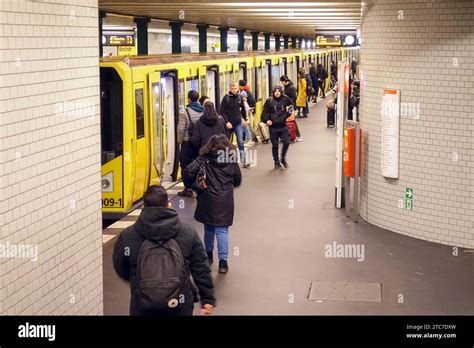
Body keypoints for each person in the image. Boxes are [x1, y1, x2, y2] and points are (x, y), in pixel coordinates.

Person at [113, 185, 215, 316]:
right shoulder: (188, 233)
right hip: (179, 304)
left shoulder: (128, 235)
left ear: (143, 207)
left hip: (142, 305)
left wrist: (140, 279)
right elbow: (201, 268)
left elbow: (121, 267)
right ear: (169, 205)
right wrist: (207, 299)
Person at [184, 134, 242, 274]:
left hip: (207, 198)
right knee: (222, 231)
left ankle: (208, 256)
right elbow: (238, 180)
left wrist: (191, 185)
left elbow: (187, 171)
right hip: (225, 199)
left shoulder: (203, 158)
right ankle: (223, 263)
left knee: (208, 228)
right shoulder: (231, 159)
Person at [177, 90, 203, 197]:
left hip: (187, 143)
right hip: (198, 144)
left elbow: (181, 129)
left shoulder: (185, 111)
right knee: (197, 165)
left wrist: (179, 141)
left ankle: (188, 188)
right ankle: (198, 185)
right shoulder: (203, 110)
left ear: (189, 99)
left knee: (185, 166)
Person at [261, 85, 293, 169]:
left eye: (279, 91)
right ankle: (276, 161)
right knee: (275, 145)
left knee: (287, 142)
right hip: (273, 127)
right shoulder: (269, 101)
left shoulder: (286, 99)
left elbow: (291, 107)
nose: (277, 93)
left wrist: (286, 115)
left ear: (281, 92)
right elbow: (264, 112)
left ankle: (282, 157)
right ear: (273, 92)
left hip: (283, 126)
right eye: (275, 91)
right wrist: (266, 120)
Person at [220, 82, 250, 168]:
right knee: (227, 143)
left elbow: (243, 110)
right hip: (228, 124)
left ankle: (244, 161)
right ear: (230, 89)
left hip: (238, 124)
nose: (234, 90)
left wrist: (246, 119)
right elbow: (222, 112)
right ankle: (226, 162)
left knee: (240, 142)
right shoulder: (226, 98)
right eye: (232, 89)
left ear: (237, 88)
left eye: (235, 88)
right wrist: (226, 122)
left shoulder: (240, 97)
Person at [280, 75, 303, 142]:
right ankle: (286, 135)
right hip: (286, 106)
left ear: (284, 81)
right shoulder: (286, 87)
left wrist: (287, 101)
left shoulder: (291, 88)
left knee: (292, 121)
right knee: (285, 121)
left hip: (290, 107)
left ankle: (297, 136)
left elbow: (294, 97)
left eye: (282, 82)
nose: (282, 83)